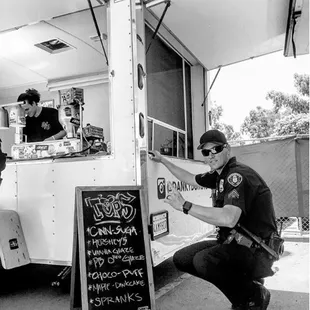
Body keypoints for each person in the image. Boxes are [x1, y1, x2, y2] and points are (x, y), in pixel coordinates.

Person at [149, 129, 280, 310]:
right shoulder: (220, 174)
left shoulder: (236, 176)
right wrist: (163, 160)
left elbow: (229, 218)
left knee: (205, 260)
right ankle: (248, 285)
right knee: (182, 258)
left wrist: (185, 206)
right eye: (205, 152)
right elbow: (189, 178)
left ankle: (252, 297)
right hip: (238, 244)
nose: (210, 155)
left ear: (228, 149)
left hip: (258, 250)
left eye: (215, 149)